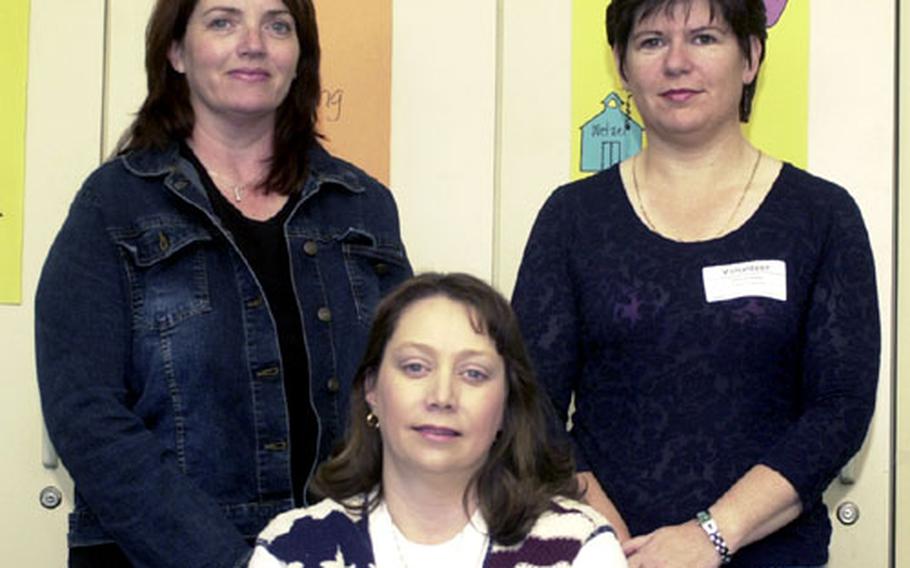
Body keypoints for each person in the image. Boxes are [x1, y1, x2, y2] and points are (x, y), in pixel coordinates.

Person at [34, 0, 411, 566]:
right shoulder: (111, 207)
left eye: (278, 24)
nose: (254, 42)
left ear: (300, 56)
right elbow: (85, 416)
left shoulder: (363, 207)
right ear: (176, 51)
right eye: (223, 21)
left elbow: (405, 387)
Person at [511, 1, 880, 567]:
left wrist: (710, 535)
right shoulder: (571, 218)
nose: (677, 63)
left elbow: (839, 409)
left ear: (751, 56)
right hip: (604, 553)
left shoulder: (822, 216)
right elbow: (529, 405)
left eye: (705, 38)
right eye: (652, 41)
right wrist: (610, 543)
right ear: (622, 65)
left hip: (773, 555)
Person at [249, 273, 628, 567]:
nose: (442, 397)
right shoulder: (290, 548)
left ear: (507, 405)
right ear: (372, 390)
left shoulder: (579, 547)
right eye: (415, 367)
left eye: (474, 374)